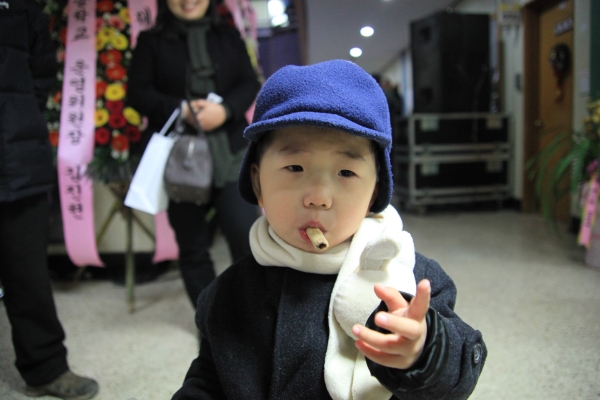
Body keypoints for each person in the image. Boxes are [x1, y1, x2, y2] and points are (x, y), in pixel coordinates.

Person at [172, 60, 486, 399]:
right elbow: (206, 383)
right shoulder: (228, 294)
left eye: (346, 173)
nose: (319, 197)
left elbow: (460, 373)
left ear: (374, 193)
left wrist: (423, 351)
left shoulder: (409, 277)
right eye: (295, 167)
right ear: (257, 182)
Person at [127, 0, 261, 308]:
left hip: (230, 152)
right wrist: (181, 110)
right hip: (179, 158)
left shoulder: (228, 36)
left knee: (245, 237)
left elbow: (248, 82)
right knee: (192, 246)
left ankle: (249, 315)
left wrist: (225, 110)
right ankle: (208, 318)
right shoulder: (151, 41)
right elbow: (138, 92)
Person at [0, 0, 99, 399]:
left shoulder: (21, 6)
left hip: (17, 149)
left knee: (27, 272)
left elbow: (41, 71)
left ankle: (46, 367)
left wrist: (19, 117)